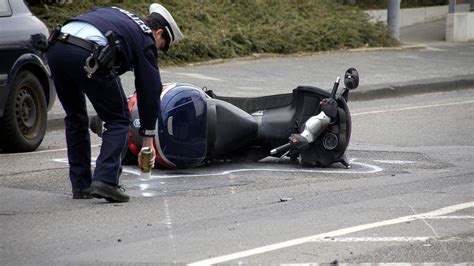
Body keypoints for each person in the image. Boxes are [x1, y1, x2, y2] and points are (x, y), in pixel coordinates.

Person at [47, 3, 184, 202]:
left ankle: (81, 185)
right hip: (87, 54)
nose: (158, 51)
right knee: (118, 120)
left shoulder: (119, 14)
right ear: (159, 33)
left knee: (75, 118)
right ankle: (106, 181)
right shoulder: (146, 36)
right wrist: (147, 141)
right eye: (162, 45)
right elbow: (150, 89)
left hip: (56, 47)